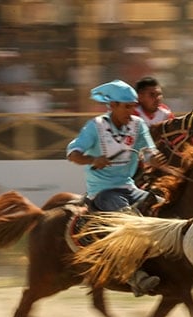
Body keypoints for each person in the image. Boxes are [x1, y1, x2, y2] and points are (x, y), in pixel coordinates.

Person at [66, 79, 161, 297]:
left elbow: (148, 150)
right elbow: (73, 154)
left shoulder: (137, 125)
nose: (132, 110)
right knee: (127, 218)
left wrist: (154, 158)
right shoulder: (95, 127)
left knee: (161, 205)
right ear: (113, 105)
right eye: (127, 106)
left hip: (130, 187)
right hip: (103, 192)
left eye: (133, 106)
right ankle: (133, 275)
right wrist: (92, 159)